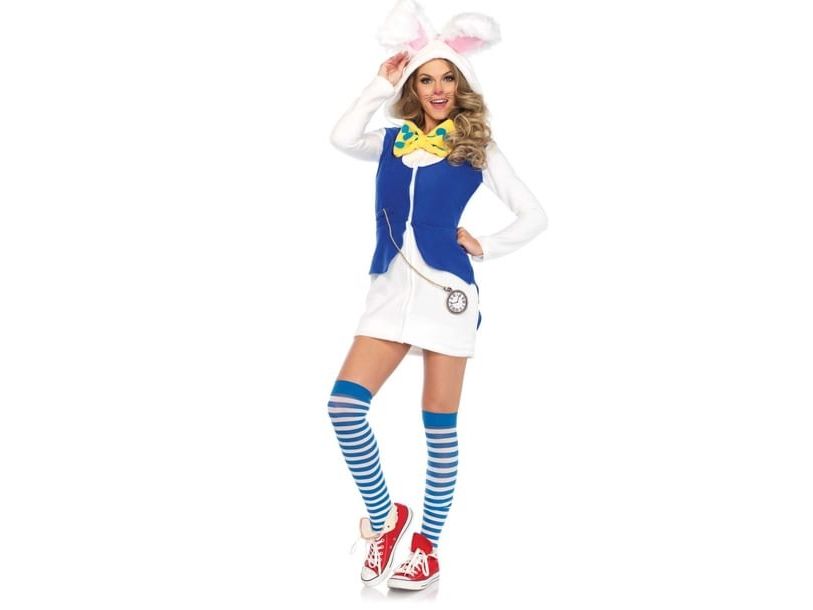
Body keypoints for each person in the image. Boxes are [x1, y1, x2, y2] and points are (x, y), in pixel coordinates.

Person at [326, 0, 548, 591]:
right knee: (344, 407)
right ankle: (386, 519)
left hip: (447, 296)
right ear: (413, 87)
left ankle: (426, 547)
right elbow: (341, 135)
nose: (438, 88)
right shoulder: (391, 140)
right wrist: (380, 84)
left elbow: (534, 215)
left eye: (448, 77)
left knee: (439, 426)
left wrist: (485, 245)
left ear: (461, 82)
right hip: (388, 291)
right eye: (426, 79)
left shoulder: (477, 147)